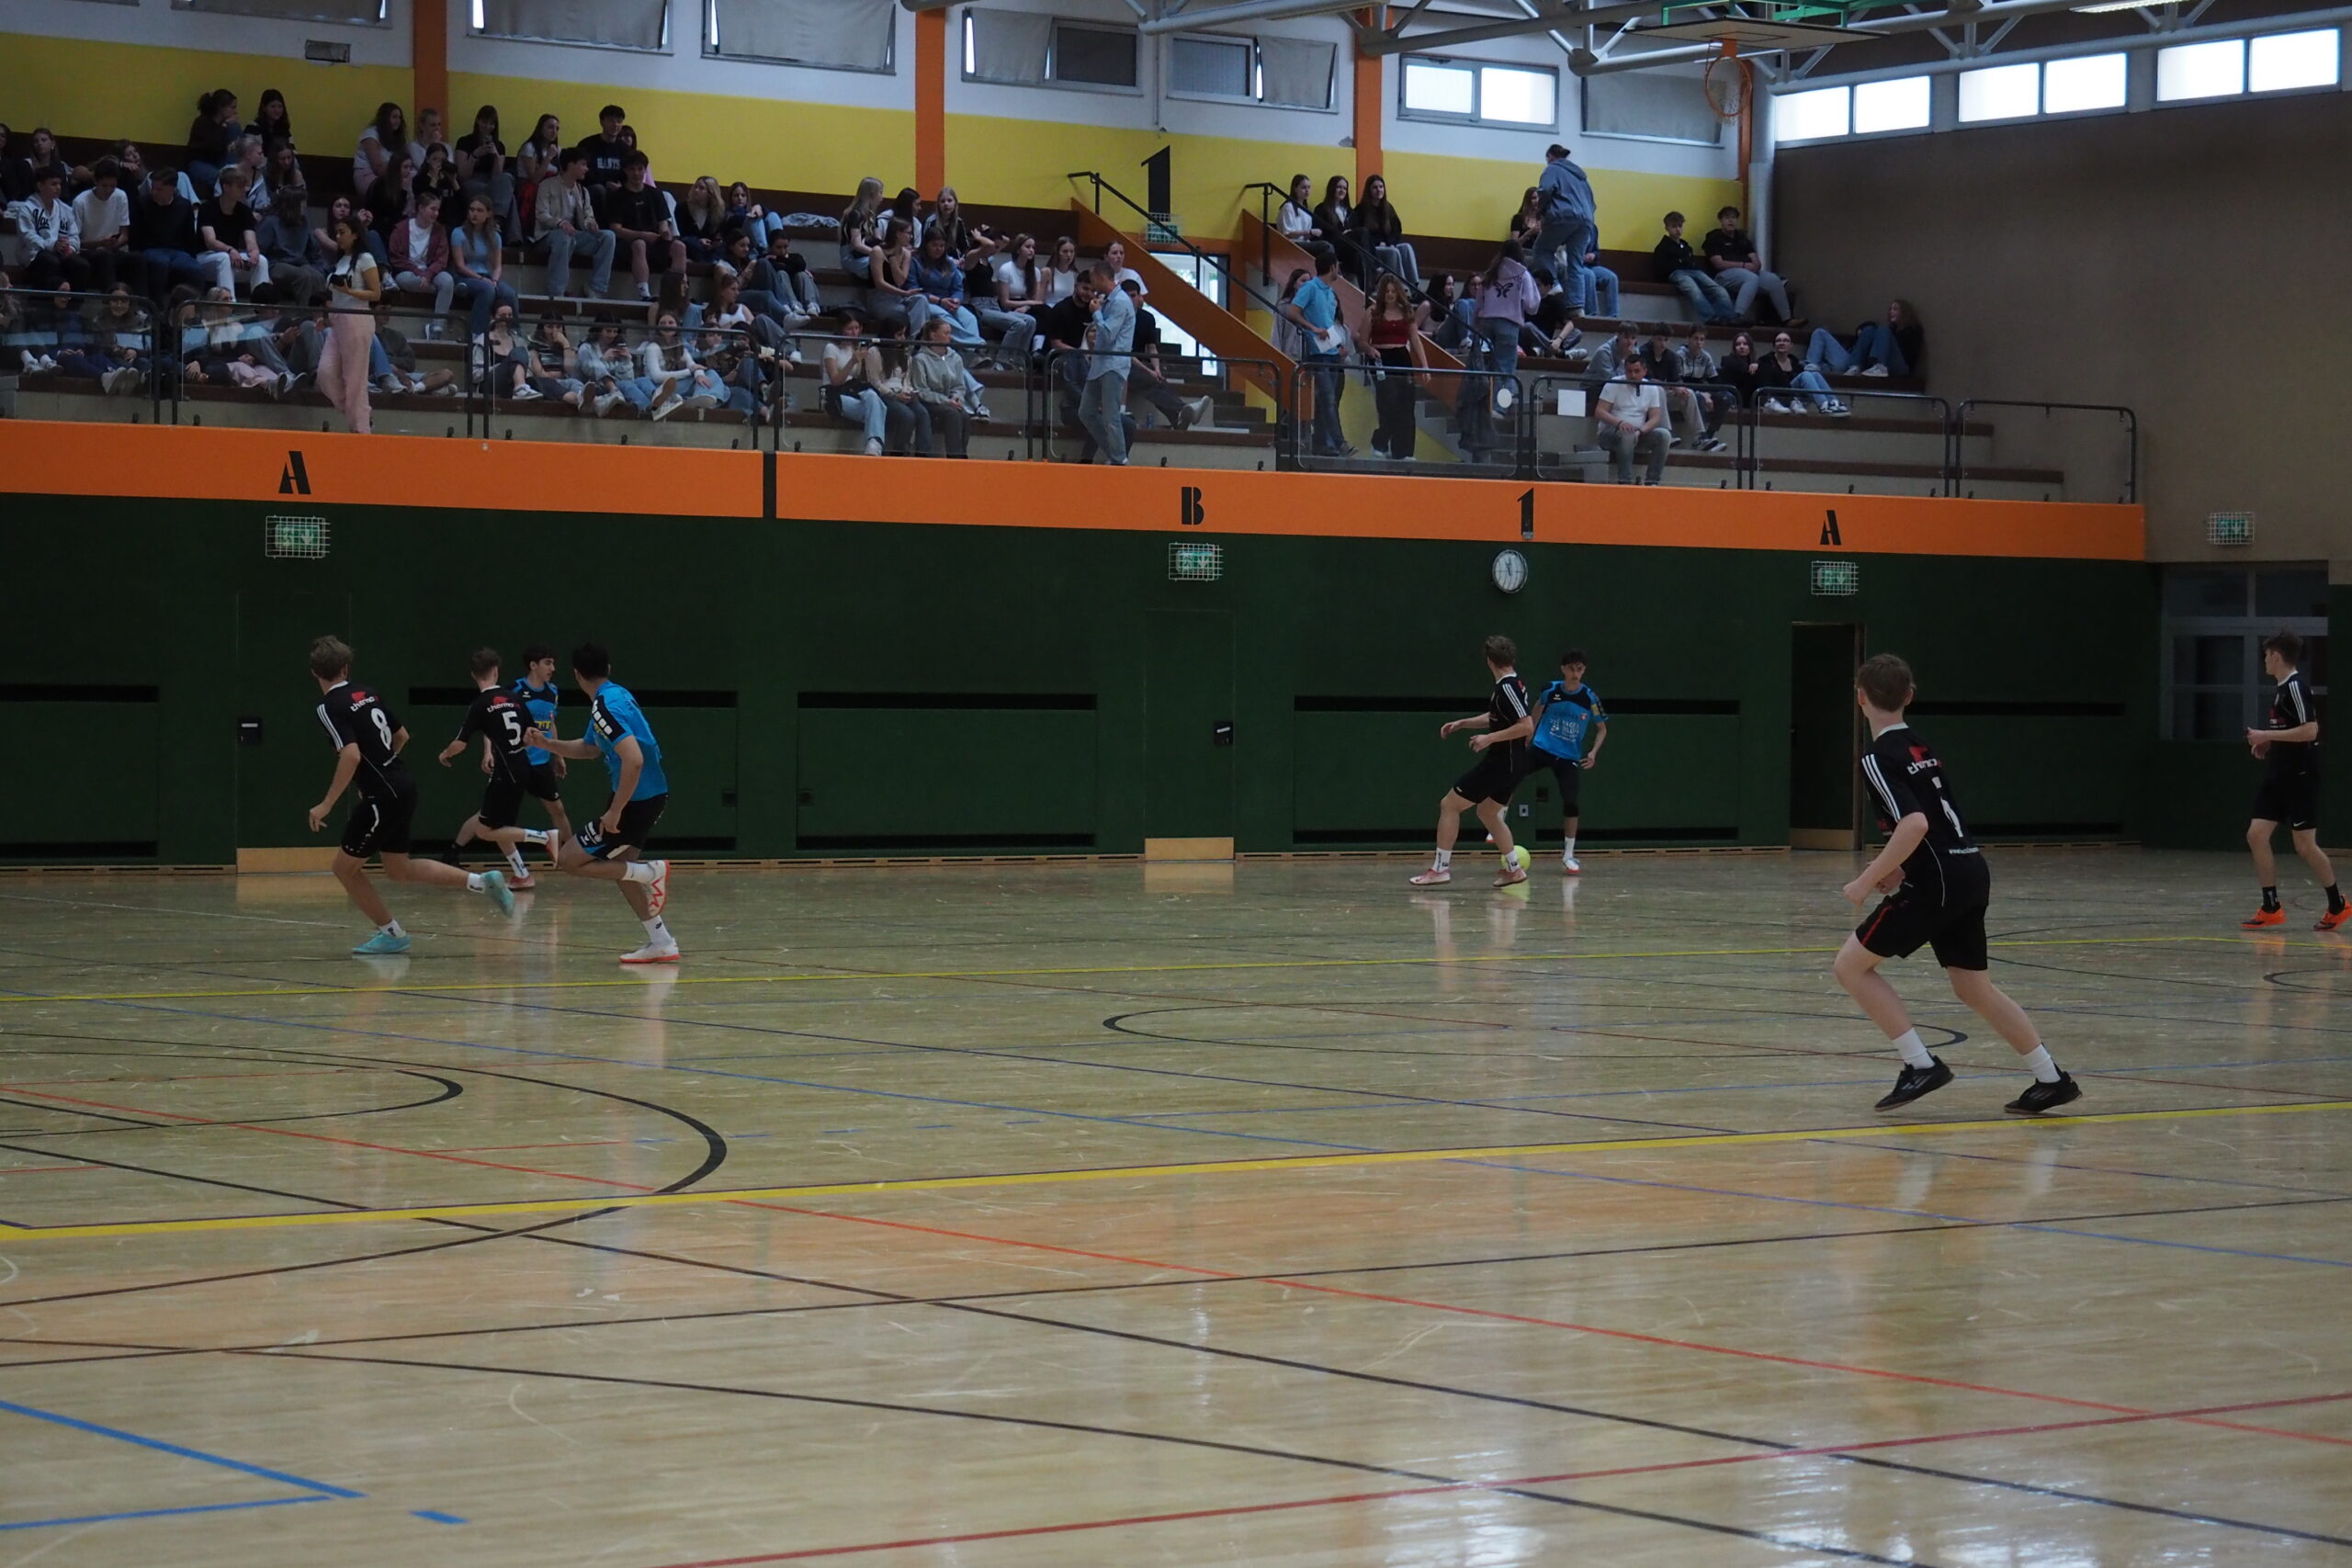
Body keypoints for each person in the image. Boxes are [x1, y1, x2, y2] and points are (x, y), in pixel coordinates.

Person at [1837, 653, 2080, 1115]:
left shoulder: (1877, 756)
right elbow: (1935, 822)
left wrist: (1866, 879)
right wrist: (1898, 868)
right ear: (1909, 696)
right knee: (1972, 986)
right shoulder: (1921, 747)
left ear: (1860, 698)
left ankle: (1920, 1064)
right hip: (1969, 869)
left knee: (1850, 967)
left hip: (1940, 881)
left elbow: (1914, 824)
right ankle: (2051, 1078)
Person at [305, 636, 511, 956]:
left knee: (344, 869)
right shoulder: (367, 693)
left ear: (315, 673)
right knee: (398, 868)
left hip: (383, 795)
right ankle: (482, 882)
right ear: (346, 668)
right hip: (402, 783)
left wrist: (327, 803)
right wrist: (382, 767)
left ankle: (392, 933)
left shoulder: (328, 707)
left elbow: (351, 755)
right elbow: (401, 735)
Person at [520, 642, 678, 964]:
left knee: (568, 859)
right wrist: (548, 744)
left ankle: (651, 872)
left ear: (577, 675)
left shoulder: (605, 708)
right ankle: (661, 941)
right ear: (608, 669)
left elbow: (633, 760)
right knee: (624, 871)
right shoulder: (616, 696)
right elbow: (591, 748)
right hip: (650, 795)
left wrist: (615, 810)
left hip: (634, 800)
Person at [2241, 630, 2346, 930]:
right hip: (2279, 774)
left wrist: (2266, 734)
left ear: (2276, 656)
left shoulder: (2296, 688)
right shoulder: (2281, 689)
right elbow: (2290, 729)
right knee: (2256, 834)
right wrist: (2269, 742)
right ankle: (2271, 906)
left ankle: (2337, 904)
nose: (2264, 660)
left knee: (2305, 846)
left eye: (2266, 655)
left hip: (2300, 776)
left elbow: (2310, 730)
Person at [1409, 635, 1533, 888]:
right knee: (1487, 812)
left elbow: (1526, 726)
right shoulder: (1511, 686)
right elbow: (1497, 716)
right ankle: (1514, 869)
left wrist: (1489, 739)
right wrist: (1463, 723)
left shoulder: (1507, 688)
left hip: (1502, 762)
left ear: (1489, 661)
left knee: (1449, 805)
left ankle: (1440, 869)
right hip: (1513, 763)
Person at [436, 647, 563, 888]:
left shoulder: (480, 704)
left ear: (473, 675)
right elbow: (532, 734)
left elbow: (460, 744)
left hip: (505, 773)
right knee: (500, 826)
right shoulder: (513, 698)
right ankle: (522, 874)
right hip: (522, 766)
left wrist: (445, 754)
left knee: (485, 831)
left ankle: (544, 837)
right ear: (496, 671)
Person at [1523, 649, 1609, 874]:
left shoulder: (1590, 698)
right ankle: (1498, 819)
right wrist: (1529, 733)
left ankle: (1569, 855)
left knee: (1571, 802)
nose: (1575, 673)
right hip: (1542, 747)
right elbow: (1537, 709)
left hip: (1568, 757)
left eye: (1580, 669)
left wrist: (1593, 752)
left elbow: (1602, 729)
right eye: (1571, 668)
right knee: (1511, 774)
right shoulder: (1550, 690)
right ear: (1563, 669)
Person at [1122, 278, 1211, 431]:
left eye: (1133, 295)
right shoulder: (1119, 317)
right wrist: (1149, 371)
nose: (1131, 300)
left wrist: (1156, 369)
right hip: (1124, 362)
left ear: (1139, 297)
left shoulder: (1147, 318)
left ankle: (1178, 418)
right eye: (1127, 296)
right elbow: (1124, 352)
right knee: (1148, 378)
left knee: (1159, 379)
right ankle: (1183, 410)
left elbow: (1152, 348)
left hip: (1140, 363)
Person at [320, 216, 381, 433]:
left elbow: (376, 293)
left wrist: (349, 291)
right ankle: (359, 414)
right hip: (338, 321)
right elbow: (335, 297)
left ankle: (361, 429)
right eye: (336, 233)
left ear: (355, 234)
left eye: (342, 232)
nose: (338, 237)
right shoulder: (341, 261)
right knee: (325, 373)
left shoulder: (365, 258)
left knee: (355, 379)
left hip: (357, 318)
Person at [1285, 245, 1349, 458]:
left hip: (1331, 350)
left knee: (1328, 399)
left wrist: (1338, 345)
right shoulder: (1310, 288)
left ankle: (1321, 442)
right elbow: (1293, 312)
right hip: (1317, 351)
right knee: (1327, 397)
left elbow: (1327, 321)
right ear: (1332, 267)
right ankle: (1339, 442)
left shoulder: (1330, 293)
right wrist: (1312, 329)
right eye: (1337, 266)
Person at [822, 308, 910, 455]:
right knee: (877, 406)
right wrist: (852, 361)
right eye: (849, 329)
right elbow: (835, 381)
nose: (854, 332)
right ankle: (875, 444)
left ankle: (874, 445)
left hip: (853, 391)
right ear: (841, 329)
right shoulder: (831, 348)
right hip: (834, 394)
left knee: (875, 400)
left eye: (857, 328)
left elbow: (860, 379)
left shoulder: (857, 347)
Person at [534, 149, 615, 299]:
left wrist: (590, 223)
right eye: (583, 164)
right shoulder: (547, 185)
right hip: (548, 235)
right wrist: (560, 223)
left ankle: (596, 288)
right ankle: (556, 292)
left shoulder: (583, 191)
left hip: (574, 235)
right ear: (571, 165)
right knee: (563, 238)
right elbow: (541, 214)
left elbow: (588, 215)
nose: (586, 169)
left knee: (608, 237)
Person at [131, 166, 220, 300]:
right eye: (153, 188)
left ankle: (193, 306)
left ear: (172, 189)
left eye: (159, 189)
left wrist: (190, 255)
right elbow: (136, 236)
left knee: (195, 269)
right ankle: (156, 306)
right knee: (160, 263)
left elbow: (189, 236)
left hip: (177, 251)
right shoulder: (142, 203)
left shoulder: (184, 205)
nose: (154, 192)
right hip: (151, 249)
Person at [605, 152, 684, 302]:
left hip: (654, 240)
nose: (636, 173)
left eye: (640, 169)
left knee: (679, 247)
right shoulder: (617, 197)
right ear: (626, 171)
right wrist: (642, 235)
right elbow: (616, 228)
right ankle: (644, 293)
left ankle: (676, 293)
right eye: (632, 169)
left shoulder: (655, 194)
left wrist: (664, 233)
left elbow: (663, 222)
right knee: (639, 244)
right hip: (628, 243)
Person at [1361, 272, 1422, 459]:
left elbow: (1415, 339)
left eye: (1393, 291)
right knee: (1389, 402)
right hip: (1381, 358)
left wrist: (1424, 365)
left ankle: (1404, 451)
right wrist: (1370, 350)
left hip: (1402, 357)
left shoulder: (1406, 312)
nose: (1390, 295)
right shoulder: (1373, 312)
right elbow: (1362, 340)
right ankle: (1379, 442)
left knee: (1406, 405)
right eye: (1387, 291)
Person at [1079, 261, 1135, 465]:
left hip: (1113, 364)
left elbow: (1109, 334)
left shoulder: (1120, 301)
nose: (1092, 284)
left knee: (1111, 416)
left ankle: (1119, 459)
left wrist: (1096, 313)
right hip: (1099, 364)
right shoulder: (1109, 301)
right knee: (1086, 412)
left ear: (1102, 278)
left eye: (1093, 279)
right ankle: (1114, 452)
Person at [1704, 206, 1793, 324]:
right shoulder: (1714, 237)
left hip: (1747, 273)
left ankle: (1787, 319)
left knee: (1773, 280)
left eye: (1733, 218)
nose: (1731, 221)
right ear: (1721, 220)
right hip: (1723, 275)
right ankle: (1737, 316)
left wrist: (1754, 265)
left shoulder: (1741, 238)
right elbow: (1718, 264)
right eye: (1727, 218)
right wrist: (1743, 265)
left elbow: (1756, 261)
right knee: (1751, 278)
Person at [1534, 144, 1597, 314]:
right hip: (1586, 220)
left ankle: (1554, 286)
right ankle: (1577, 306)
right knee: (1575, 263)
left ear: (1550, 157)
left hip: (1564, 216)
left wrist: (1541, 212)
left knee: (1542, 250)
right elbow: (1592, 203)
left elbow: (1545, 190)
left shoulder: (1552, 169)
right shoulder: (1581, 177)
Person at [6, 168, 87, 295]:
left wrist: (70, 248)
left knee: (81, 265)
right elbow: (29, 237)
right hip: (33, 254)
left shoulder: (65, 209)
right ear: (40, 185)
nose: (58, 188)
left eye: (60, 184)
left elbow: (74, 236)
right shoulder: (27, 209)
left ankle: (75, 304)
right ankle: (40, 301)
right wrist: (53, 245)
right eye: (53, 184)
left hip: (60, 253)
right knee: (50, 262)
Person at [1596, 353, 1668, 485]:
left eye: (1636, 371)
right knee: (1627, 434)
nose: (1633, 375)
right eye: (1629, 371)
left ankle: (1652, 481)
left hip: (1639, 433)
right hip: (1611, 432)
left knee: (1664, 435)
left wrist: (1640, 431)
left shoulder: (1652, 388)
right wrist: (1620, 423)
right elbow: (1600, 411)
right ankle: (1625, 481)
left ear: (1644, 371)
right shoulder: (1614, 384)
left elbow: (1655, 417)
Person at [449, 195, 516, 337]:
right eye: (472, 210)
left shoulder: (494, 236)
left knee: (509, 293)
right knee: (487, 290)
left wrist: (495, 281)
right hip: (464, 276)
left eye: (479, 210)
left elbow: (497, 266)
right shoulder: (458, 233)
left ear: (489, 213)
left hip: (487, 276)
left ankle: (515, 333)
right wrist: (482, 279)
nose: (474, 214)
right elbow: (460, 266)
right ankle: (476, 334)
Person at [1808, 299, 1924, 380]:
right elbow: (1869, 331)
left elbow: (1908, 354)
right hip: (1854, 358)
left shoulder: (1911, 330)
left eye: (1895, 309)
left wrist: (1889, 338)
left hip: (1900, 366)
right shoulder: (1888, 330)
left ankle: (1879, 367)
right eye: (1890, 309)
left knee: (1883, 329)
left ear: (1904, 312)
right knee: (1870, 329)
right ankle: (1855, 366)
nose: (1891, 312)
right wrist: (1864, 330)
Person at [908, 317, 974, 457]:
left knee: (964, 415)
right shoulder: (920, 359)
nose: (950, 337)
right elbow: (922, 390)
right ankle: (954, 457)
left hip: (950, 401)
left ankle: (962, 454)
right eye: (946, 333)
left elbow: (959, 385)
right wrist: (946, 401)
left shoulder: (955, 358)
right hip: (929, 402)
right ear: (933, 335)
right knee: (952, 414)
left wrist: (956, 397)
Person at [390, 190, 454, 331]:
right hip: (409, 272)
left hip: (431, 272)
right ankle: (444, 292)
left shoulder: (439, 230)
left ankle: (437, 327)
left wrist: (429, 274)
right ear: (421, 208)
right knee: (403, 280)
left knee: (448, 281)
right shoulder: (401, 229)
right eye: (433, 209)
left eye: (438, 210)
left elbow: (442, 258)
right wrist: (419, 273)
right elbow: (396, 258)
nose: (436, 213)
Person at [257, 186, 327, 308]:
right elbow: (260, 250)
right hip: (276, 264)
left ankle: (319, 314)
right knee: (304, 276)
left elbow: (314, 250)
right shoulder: (271, 222)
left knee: (317, 276)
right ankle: (304, 314)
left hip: (299, 263)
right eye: (302, 202)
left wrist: (321, 268)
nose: (305, 206)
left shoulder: (304, 222)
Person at [72, 158, 133, 295]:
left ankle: (141, 304)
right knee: (104, 256)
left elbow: (124, 234)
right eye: (104, 186)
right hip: (88, 251)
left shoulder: (121, 196)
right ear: (95, 181)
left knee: (138, 258)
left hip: (114, 248)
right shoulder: (80, 202)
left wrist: (115, 243)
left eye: (112, 186)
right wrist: (100, 243)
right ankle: (110, 300)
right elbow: (75, 241)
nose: (108, 190)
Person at [1349, 175, 1419, 291]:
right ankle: (1400, 288)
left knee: (1406, 248)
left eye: (1381, 187)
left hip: (1388, 245)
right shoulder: (1361, 210)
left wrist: (1390, 243)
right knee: (1393, 252)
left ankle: (1414, 287)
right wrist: (1380, 243)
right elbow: (1362, 235)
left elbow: (1397, 230)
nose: (1379, 190)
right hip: (1372, 249)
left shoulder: (1388, 208)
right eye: (1375, 187)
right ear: (1368, 190)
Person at [453, 106, 514, 238]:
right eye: (485, 122)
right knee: (509, 198)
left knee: (506, 178)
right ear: (478, 121)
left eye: (492, 124)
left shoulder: (499, 146)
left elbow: (498, 177)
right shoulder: (464, 142)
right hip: (471, 181)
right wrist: (474, 155)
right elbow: (462, 175)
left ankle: (497, 221)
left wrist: (496, 157)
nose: (488, 126)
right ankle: (510, 234)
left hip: (491, 181)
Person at [1756, 329, 1845, 416]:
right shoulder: (1766, 360)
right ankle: (1823, 404)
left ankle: (1834, 402)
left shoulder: (1794, 362)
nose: (1782, 343)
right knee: (1805, 375)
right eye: (1778, 341)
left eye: (1786, 341)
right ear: (1774, 346)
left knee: (1815, 374)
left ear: (1791, 345)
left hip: (1796, 398)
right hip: (1779, 397)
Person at [573, 105, 630, 205]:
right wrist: (606, 183)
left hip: (617, 189)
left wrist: (623, 187)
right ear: (602, 122)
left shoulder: (624, 149)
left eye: (619, 121)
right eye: (611, 121)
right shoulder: (587, 144)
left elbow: (628, 173)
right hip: (591, 188)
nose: (615, 125)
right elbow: (581, 172)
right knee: (599, 190)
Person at [1311, 175, 1362, 286]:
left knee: (1362, 236)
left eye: (1345, 188)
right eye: (1339, 187)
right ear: (1332, 188)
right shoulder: (1322, 209)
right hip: (1333, 245)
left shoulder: (1351, 213)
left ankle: (1367, 279)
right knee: (1362, 233)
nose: (1342, 190)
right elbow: (1319, 234)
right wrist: (1341, 235)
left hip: (1349, 249)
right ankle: (1374, 266)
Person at [839, 175, 886, 282]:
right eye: (880, 193)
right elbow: (857, 245)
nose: (882, 197)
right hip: (852, 257)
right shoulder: (856, 214)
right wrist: (878, 254)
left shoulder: (872, 216)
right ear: (872, 194)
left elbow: (878, 240)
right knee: (884, 267)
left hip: (867, 255)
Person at [354, 103, 406, 197]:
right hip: (368, 175)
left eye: (400, 118)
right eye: (394, 117)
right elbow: (377, 168)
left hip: (389, 177)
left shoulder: (397, 139)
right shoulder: (371, 135)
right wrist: (396, 171)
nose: (398, 121)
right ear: (385, 118)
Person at [1277, 174, 1321, 243]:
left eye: (1309, 187)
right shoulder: (1288, 207)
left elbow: (1304, 237)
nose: (1307, 190)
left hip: (1303, 243)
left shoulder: (1306, 210)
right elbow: (1287, 234)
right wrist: (1309, 231)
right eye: (1304, 188)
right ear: (1295, 189)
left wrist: (1313, 234)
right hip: (1291, 244)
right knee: (1325, 246)